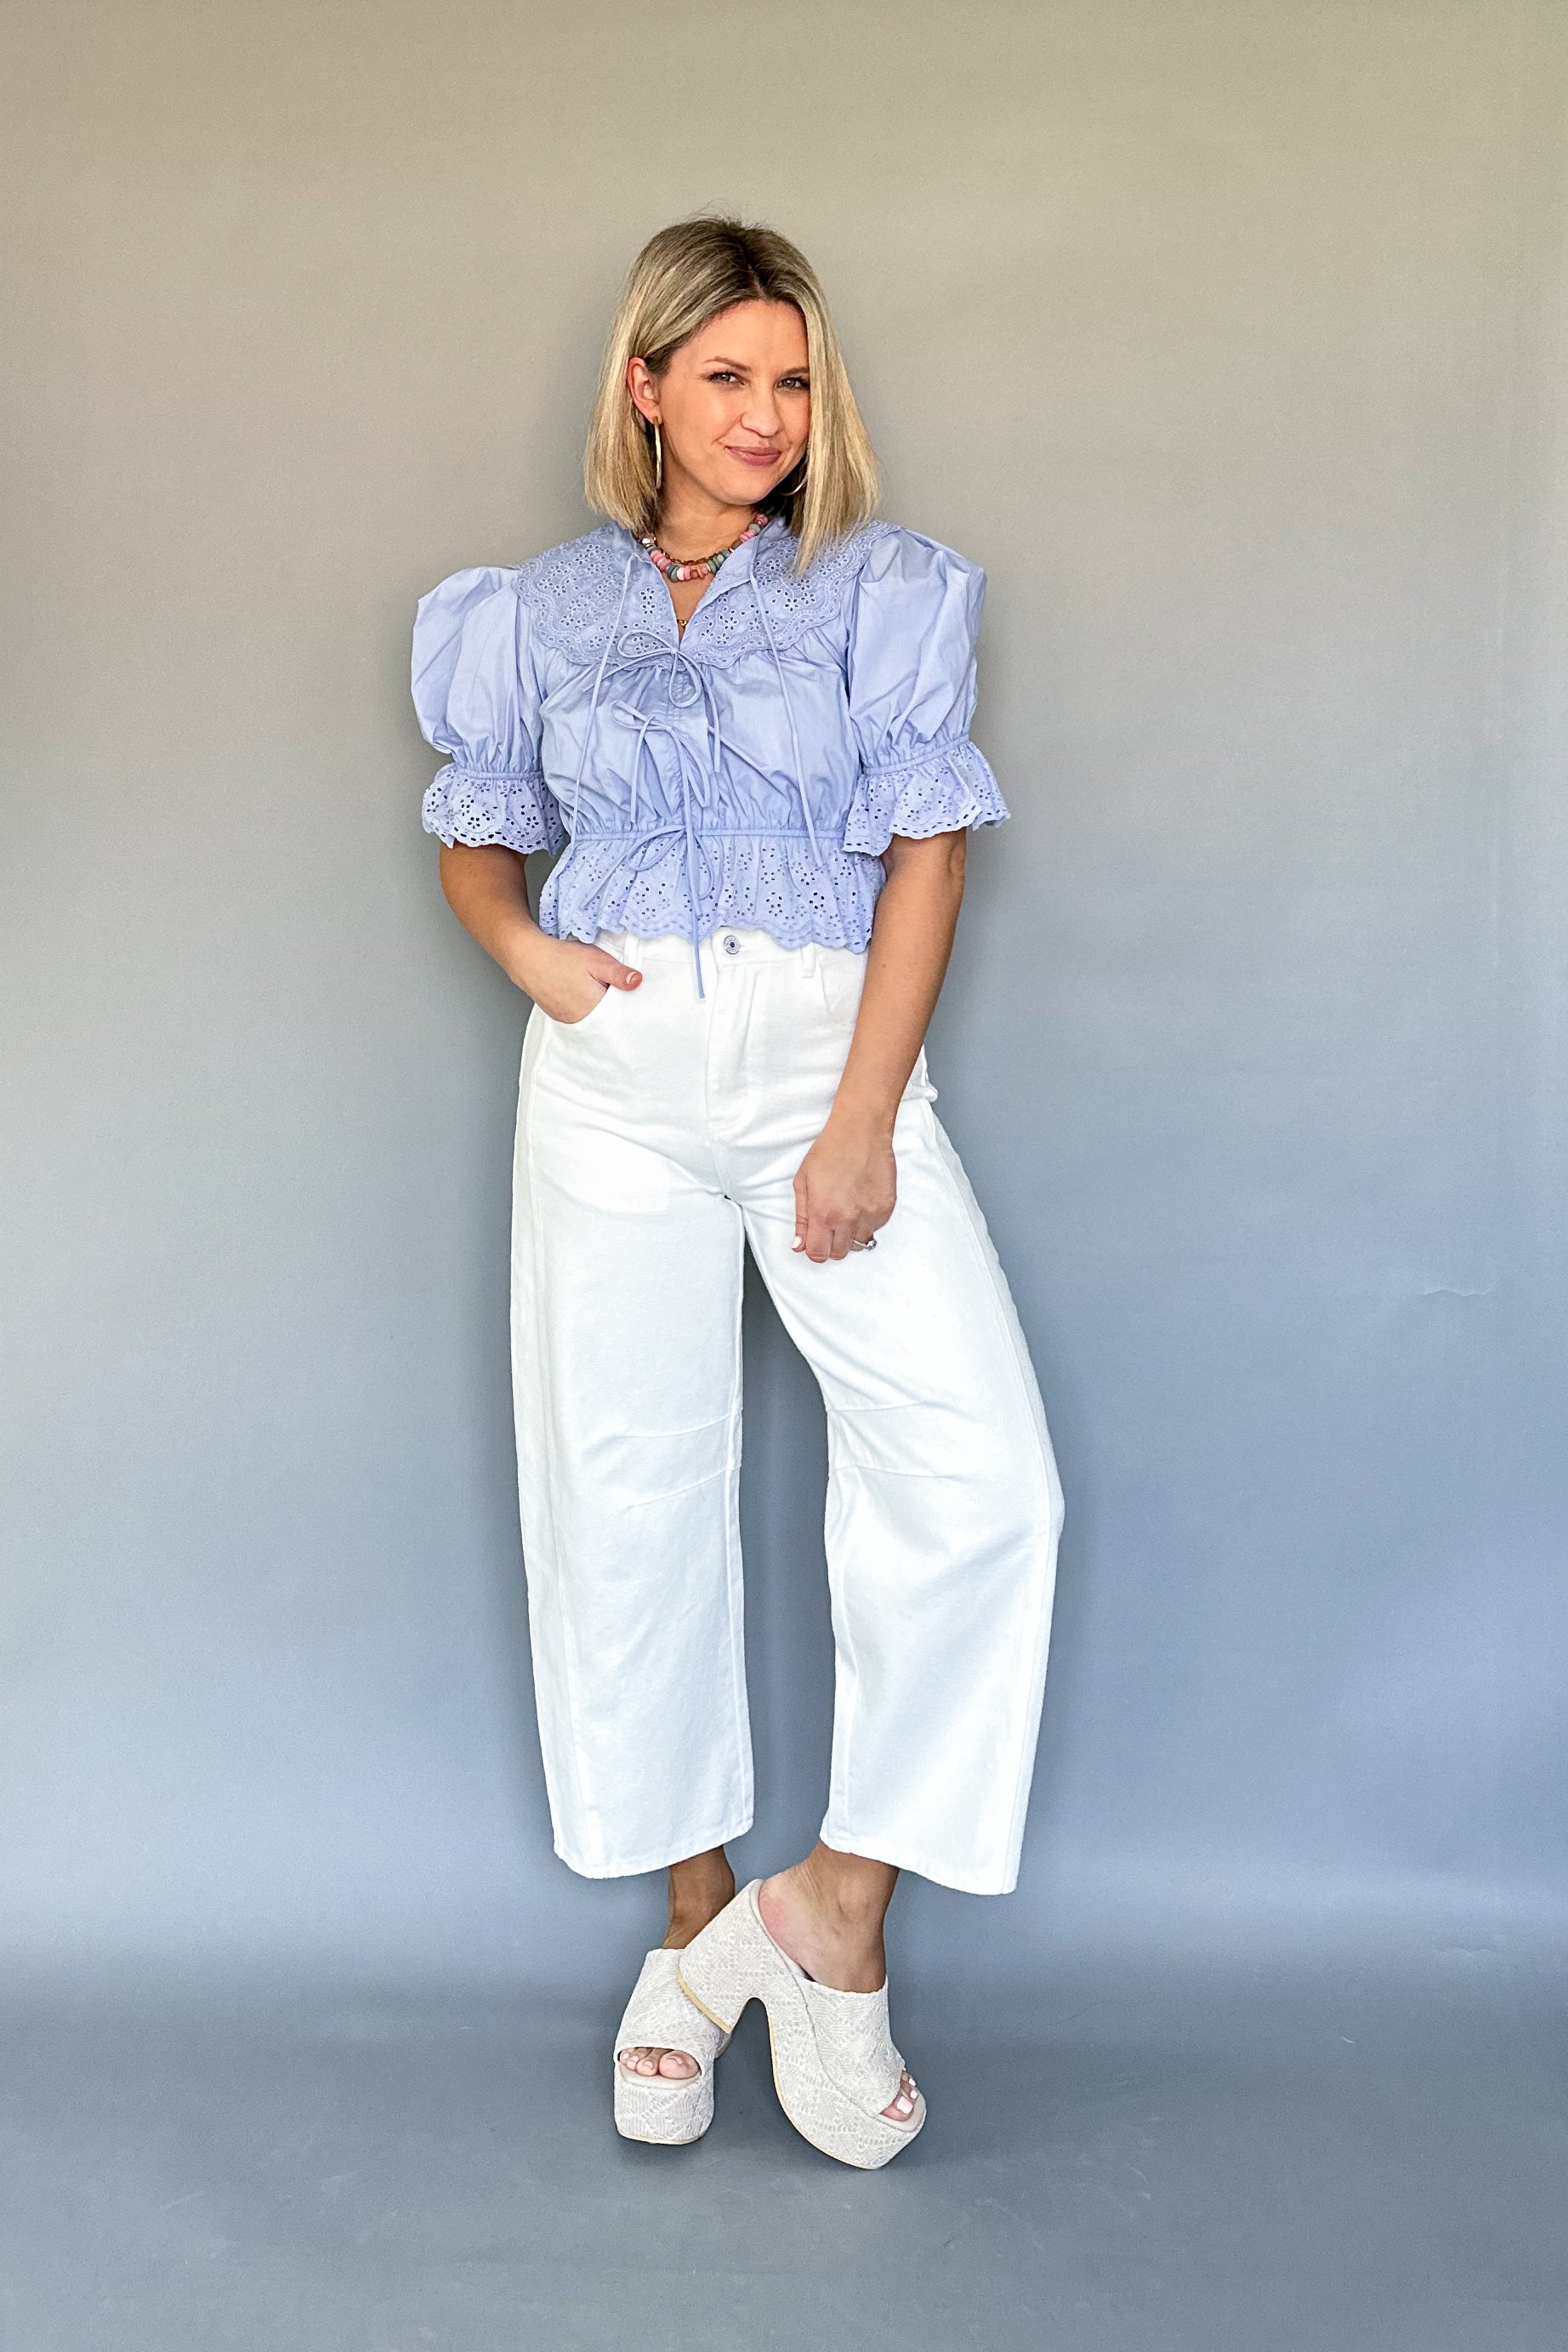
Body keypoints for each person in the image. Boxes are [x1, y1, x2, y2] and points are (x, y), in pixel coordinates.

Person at [412, 215, 1064, 2169]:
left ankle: (828, 1912)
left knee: (980, 1482)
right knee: (623, 1493)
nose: (765, 416)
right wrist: (532, 960)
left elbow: (928, 851)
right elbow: (477, 834)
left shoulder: (877, 590)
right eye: (723, 378)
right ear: (645, 386)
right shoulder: (533, 612)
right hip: (610, 1084)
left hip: (813, 1066)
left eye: (791, 380)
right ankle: (692, 1936)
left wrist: (858, 1118)